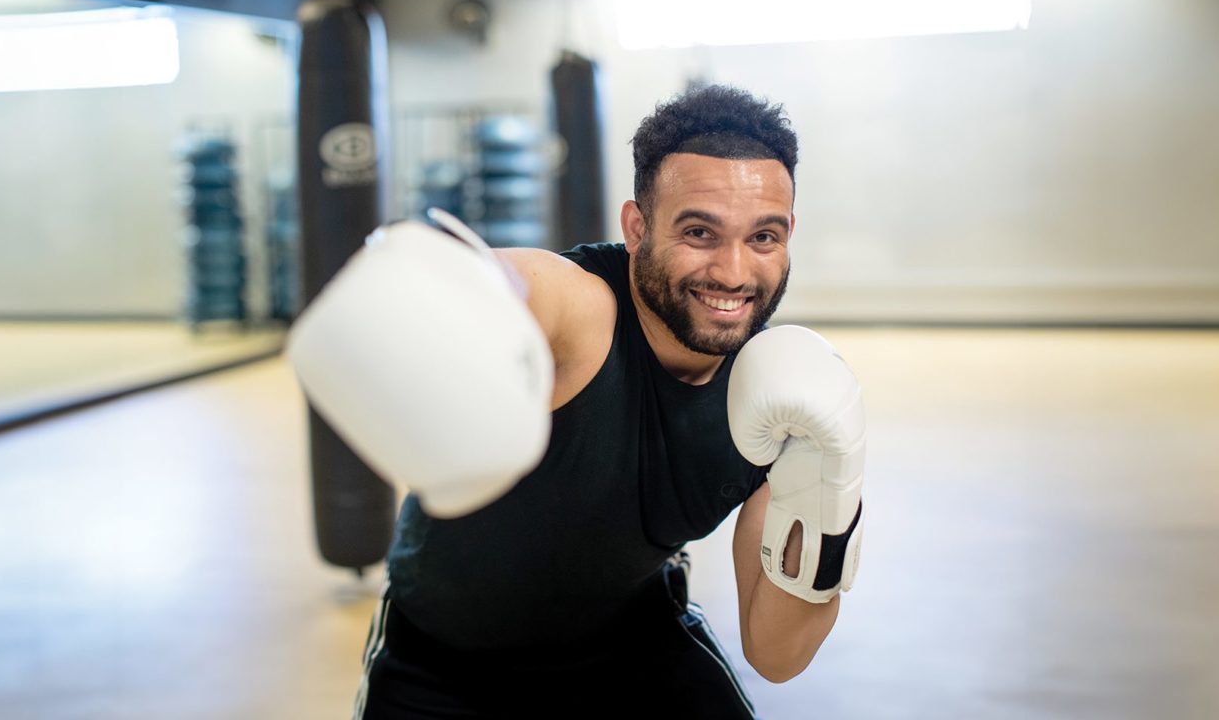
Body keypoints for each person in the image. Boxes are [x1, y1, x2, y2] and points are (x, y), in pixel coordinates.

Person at [287, 84, 866, 719]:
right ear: (637, 228)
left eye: (763, 237)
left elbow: (776, 655)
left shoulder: (783, 402)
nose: (732, 272)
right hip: (445, 667)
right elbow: (504, 281)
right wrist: (431, 298)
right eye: (700, 232)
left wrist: (828, 489)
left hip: (638, 647)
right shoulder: (581, 308)